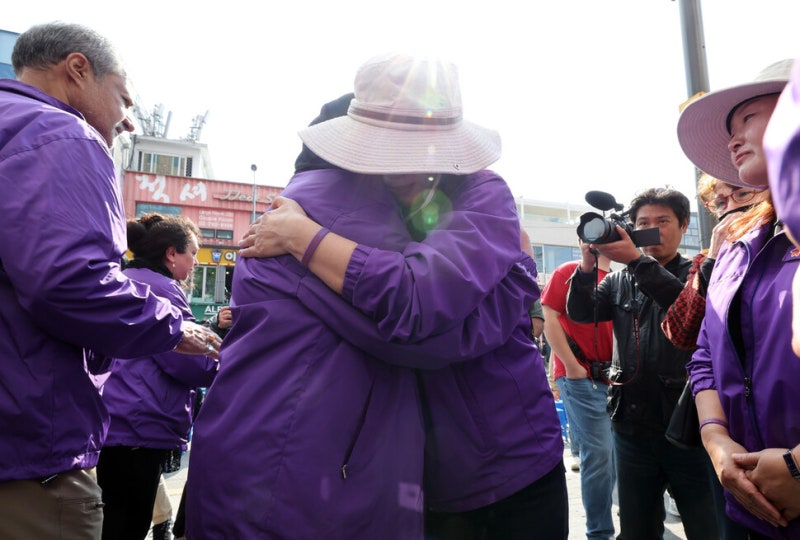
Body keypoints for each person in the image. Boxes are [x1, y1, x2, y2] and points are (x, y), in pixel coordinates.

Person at [237, 52, 567, 539]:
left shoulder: (482, 193)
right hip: (418, 476)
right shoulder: (362, 207)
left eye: (415, 146)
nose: (397, 165)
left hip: (510, 463)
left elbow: (418, 302)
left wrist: (304, 241)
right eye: (382, 146)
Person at [0, 22, 219, 539]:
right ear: (77, 69)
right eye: (124, 99)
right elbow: (70, 283)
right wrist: (174, 329)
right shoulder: (63, 134)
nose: (126, 122)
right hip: (26, 445)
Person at [678, 59, 800, 538]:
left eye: (748, 117)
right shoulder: (733, 253)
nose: (733, 138)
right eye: (730, 128)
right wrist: (717, 442)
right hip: (744, 503)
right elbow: (704, 354)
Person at [567, 187, 719, 539]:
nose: (653, 229)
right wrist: (588, 265)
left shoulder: (700, 272)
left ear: (684, 226)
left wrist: (637, 261)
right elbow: (579, 311)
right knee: (636, 528)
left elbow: (686, 308)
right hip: (631, 426)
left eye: (663, 221)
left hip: (687, 426)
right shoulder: (619, 280)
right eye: (643, 223)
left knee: (705, 524)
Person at [95, 214, 219, 540]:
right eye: (192, 253)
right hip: (141, 423)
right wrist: (221, 349)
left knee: (110, 520)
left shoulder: (121, 278)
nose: (195, 262)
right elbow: (191, 364)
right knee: (128, 525)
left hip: (109, 420)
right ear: (171, 253)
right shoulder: (164, 290)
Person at [542, 240, 615, 540]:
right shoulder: (569, 271)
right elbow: (548, 318)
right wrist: (571, 367)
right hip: (581, 375)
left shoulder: (624, 277)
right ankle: (599, 531)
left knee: (613, 452)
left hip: (618, 378)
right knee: (598, 453)